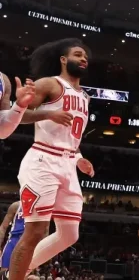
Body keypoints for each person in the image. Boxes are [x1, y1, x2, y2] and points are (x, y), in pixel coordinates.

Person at [8, 39, 95, 280]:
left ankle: (17, 272)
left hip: (68, 164)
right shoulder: (49, 84)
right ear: (63, 60)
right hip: (43, 159)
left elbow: (71, 135)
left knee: (70, 234)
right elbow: (15, 115)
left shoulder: (85, 96)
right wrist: (47, 113)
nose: (83, 59)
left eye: (85, 56)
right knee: (36, 231)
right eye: (77, 54)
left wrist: (79, 157)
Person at [0, 202, 22, 275]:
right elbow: (3, 227)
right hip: (14, 240)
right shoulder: (16, 205)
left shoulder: (40, 206)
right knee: (4, 272)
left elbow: (45, 229)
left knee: (25, 272)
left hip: (30, 241)